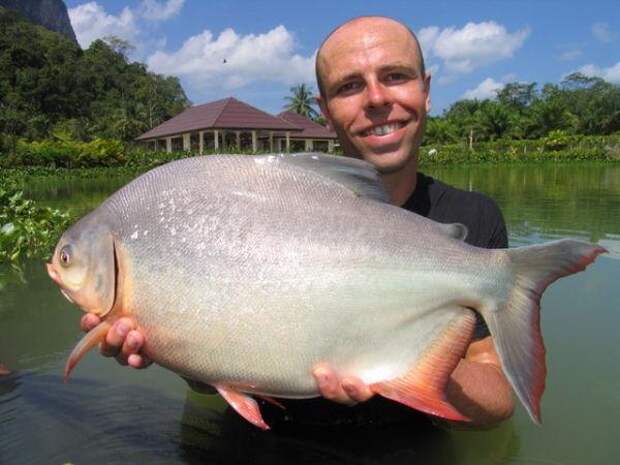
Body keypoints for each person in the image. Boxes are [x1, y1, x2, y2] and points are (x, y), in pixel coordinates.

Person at [80, 16, 514, 428]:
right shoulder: (250, 207)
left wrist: (406, 370)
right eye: (350, 86)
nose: (378, 99)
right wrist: (173, 348)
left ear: (426, 89)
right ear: (324, 110)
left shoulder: (474, 221)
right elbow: (211, 373)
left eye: (396, 76)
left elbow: (497, 400)